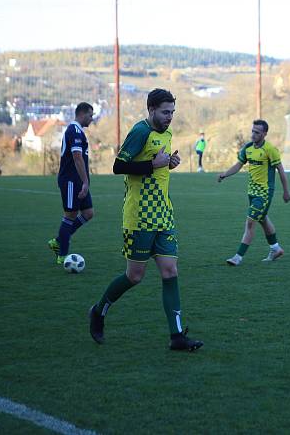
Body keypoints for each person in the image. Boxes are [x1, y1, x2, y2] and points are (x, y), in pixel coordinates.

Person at [88, 89, 202, 352]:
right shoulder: (140, 132)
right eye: (165, 112)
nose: (169, 117)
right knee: (135, 276)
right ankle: (98, 310)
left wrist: (168, 163)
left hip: (164, 213)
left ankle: (176, 337)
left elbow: (158, 165)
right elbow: (118, 167)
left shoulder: (167, 132)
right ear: (150, 110)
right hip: (139, 216)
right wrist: (153, 164)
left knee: (170, 271)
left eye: (172, 112)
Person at [219, 119, 290, 266]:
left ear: (264, 134)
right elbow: (239, 165)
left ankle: (238, 257)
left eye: (257, 132)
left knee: (250, 222)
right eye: (252, 131)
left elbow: (281, 171)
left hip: (264, 193)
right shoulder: (247, 148)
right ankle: (275, 249)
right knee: (263, 219)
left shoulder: (270, 150)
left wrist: (286, 192)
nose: (253, 135)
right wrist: (225, 174)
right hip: (251, 192)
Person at [48, 103, 95, 265]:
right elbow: (76, 156)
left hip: (78, 181)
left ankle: (59, 240)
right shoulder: (74, 130)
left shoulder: (78, 131)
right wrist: (85, 181)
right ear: (82, 114)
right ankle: (62, 254)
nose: (92, 118)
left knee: (88, 213)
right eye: (90, 115)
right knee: (70, 215)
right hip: (71, 181)